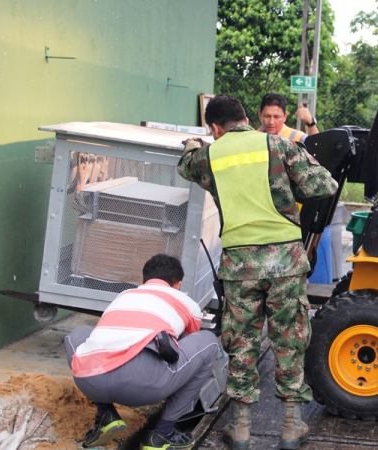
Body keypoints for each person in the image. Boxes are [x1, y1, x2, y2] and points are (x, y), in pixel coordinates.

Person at [177, 95, 337, 450]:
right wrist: (285, 190)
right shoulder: (280, 145)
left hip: (240, 266)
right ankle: (292, 428)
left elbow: (186, 164)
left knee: (242, 344)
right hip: (285, 262)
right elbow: (324, 185)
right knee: (289, 341)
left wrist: (192, 145)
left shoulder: (209, 156)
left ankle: (241, 429)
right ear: (247, 118)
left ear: (214, 128)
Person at [64, 254, 219, 450]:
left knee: (77, 334)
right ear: (178, 284)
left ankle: (105, 413)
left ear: (143, 280)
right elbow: (187, 346)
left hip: (90, 382)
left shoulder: (124, 296)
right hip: (145, 387)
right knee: (209, 342)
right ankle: (164, 432)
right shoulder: (186, 302)